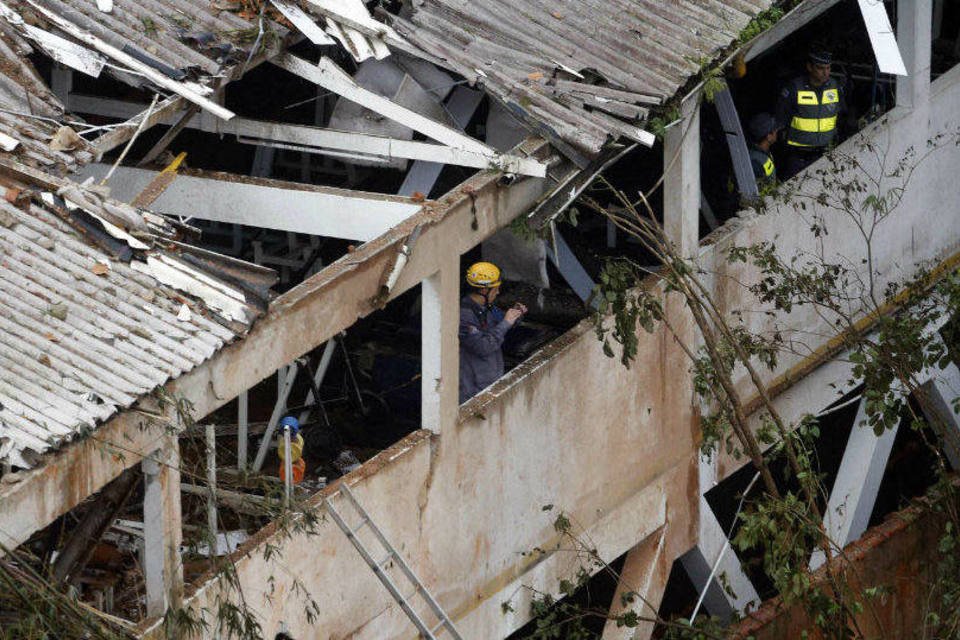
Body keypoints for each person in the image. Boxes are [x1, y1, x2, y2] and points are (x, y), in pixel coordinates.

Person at [458, 261, 526, 403]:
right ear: (484, 291)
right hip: (473, 392)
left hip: (490, 383)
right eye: (496, 289)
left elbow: (500, 324)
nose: (498, 292)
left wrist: (515, 316)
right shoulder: (464, 316)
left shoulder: (486, 307)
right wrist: (507, 322)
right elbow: (483, 347)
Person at [775, 49, 845, 179]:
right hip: (797, 156)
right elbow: (780, 120)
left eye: (828, 68)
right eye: (820, 68)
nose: (826, 73)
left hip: (826, 152)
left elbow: (841, 114)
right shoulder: (794, 88)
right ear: (809, 67)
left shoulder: (835, 87)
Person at [747, 112, 780, 188]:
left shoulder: (763, 152)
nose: (776, 131)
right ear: (768, 137)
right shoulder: (755, 163)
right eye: (774, 130)